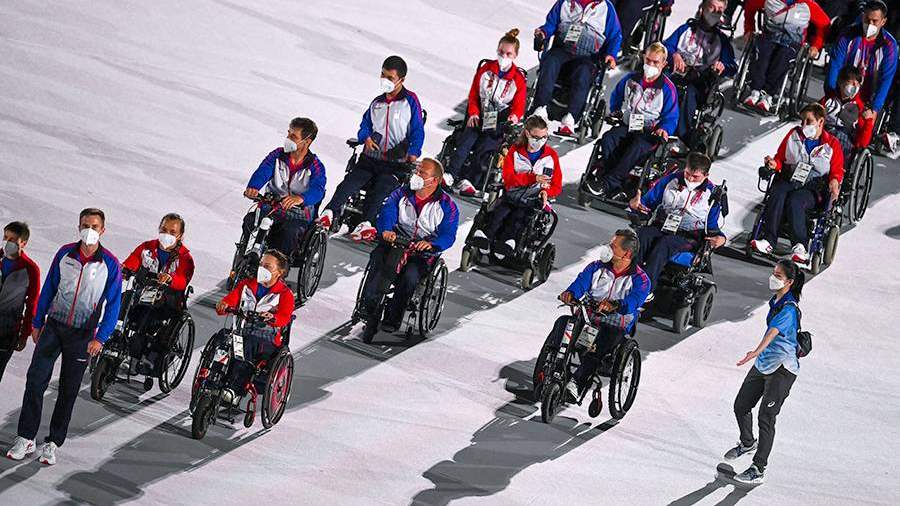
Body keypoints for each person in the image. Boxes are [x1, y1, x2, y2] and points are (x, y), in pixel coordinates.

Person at [7, 208, 122, 465]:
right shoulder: (65, 254)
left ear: (102, 230)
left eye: (94, 226)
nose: (89, 230)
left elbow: (114, 304)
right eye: (85, 225)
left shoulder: (110, 264)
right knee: (35, 381)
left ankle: (52, 443)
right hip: (54, 328)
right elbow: (49, 287)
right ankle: (26, 437)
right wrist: (37, 322)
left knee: (68, 390)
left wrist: (101, 337)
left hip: (83, 336)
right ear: (78, 227)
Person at [320, 56, 426, 241]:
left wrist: (413, 152)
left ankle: (366, 223)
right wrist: (365, 138)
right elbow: (365, 125)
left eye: (390, 78)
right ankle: (329, 212)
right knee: (349, 183)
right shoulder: (377, 103)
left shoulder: (410, 101)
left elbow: (418, 129)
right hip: (370, 158)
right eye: (383, 75)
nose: (385, 80)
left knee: (381, 188)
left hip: (395, 163)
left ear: (401, 80)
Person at [359, 158, 459, 339]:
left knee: (410, 277)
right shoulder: (400, 193)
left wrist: (432, 244)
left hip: (422, 252)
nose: (416, 175)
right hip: (395, 241)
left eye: (422, 173)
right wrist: (386, 229)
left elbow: (448, 234)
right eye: (417, 171)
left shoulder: (447, 206)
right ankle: (368, 303)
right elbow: (388, 211)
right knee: (378, 259)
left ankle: (393, 317)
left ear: (434, 180)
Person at [726, 259, 805, 485]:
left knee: (766, 417)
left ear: (789, 282)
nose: (773, 278)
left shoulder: (789, 308)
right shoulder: (776, 299)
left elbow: (773, 331)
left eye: (778, 276)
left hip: (782, 369)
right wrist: (759, 355)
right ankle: (747, 443)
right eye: (774, 273)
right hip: (764, 363)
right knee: (741, 405)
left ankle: (758, 468)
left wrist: (755, 351)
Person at [556, 229, 650, 402]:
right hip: (588, 315)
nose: (608, 248)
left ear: (627, 254)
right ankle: (553, 367)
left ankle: (577, 383)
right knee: (563, 323)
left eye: (613, 246)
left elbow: (634, 300)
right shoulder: (595, 267)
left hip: (615, 322)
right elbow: (581, 283)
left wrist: (616, 305)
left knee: (599, 344)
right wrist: (570, 294)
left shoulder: (641, 279)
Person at [751, 103, 844, 263]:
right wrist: (774, 164)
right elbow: (780, 159)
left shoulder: (832, 144)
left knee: (796, 200)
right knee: (778, 192)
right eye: (802, 121)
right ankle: (768, 241)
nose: (804, 125)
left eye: (809, 121)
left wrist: (834, 181)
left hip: (813, 187)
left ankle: (800, 246)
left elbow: (837, 171)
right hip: (791, 179)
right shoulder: (793, 135)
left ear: (820, 122)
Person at [588, 42, 679, 198]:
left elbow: (671, 116)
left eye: (655, 62)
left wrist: (664, 129)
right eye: (648, 60)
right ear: (644, 57)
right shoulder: (630, 79)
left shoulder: (667, 89)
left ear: (663, 64)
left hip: (650, 132)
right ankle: (614, 182)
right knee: (609, 139)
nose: (651, 65)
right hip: (628, 124)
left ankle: (608, 183)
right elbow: (616, 95)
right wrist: (616, 111)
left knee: (636, 147)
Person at [629, 152, 726, 291]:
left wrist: (721, 238)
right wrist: (636, 206)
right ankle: (629, 280)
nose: (690, 179)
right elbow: (647, 204)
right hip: (663, 226)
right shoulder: (670, 180)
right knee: (641, 236)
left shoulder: (712, 194)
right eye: (687, 174)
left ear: (706, 175)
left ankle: (644, 289)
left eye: (695, 177)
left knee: (664, 244)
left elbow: (711, 226)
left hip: (688, 235)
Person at [448, 29, 528, 196]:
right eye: (501, 52)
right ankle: (450, 174)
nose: (504, 56)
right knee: (465, 140)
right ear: (497, 50)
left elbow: (519, 107)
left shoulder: (518, 79)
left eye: (508, 53)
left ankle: (469, 181)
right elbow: (473, 95)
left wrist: (513, 118)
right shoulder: (486, 69)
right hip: (480, 115)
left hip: (498, 121)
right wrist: (473, 113)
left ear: (515, 55)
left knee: (486, 147)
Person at [471, 116, 562, 259]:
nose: (540, 141)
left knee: (517, 219)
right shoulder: (515, 151)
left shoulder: (551, 156)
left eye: (544, 137)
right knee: (498, 214)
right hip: (512, 194)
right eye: (536, 137)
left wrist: (546, 192)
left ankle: (506, 244)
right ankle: (485, 239)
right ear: (527, 133)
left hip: (533, 200)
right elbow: (509, 179)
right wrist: (532, 178)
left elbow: (557, 185)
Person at [532, 0, 623, 136]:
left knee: (583, 72)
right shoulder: (564, 2)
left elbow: (615, 36)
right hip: (563, 48)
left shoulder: (606, 8)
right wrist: (543, 32)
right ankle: (540, 108)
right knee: (550, 62)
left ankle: (570, 118)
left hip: (588, 55)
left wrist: (611, 55)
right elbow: (551, 24)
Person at [215, 250, 295, 404]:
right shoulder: (246, 285)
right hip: (241, 329)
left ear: (280, 272)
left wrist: (273, 317)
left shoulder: (285, 294)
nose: (262, 269)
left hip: (266, 337)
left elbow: (285, 317)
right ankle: (212, 377)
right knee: (223, 338)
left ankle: (235, 390)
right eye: (261, 264)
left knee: (248, 345)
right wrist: (224, 304)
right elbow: (231, 299)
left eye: (268, 266)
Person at [121, 213, 195, 376]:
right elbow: (134, 259)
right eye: (164, 229)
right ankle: (115, 339)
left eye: (172, 232)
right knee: (123, 299)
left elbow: (183, 279)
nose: (167, 234)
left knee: (148, 315)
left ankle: (137, 357)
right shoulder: (147, 247)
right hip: (142, 292)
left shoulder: (185, 258)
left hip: (167, 301)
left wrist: (170, 278)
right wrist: (126, 268)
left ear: (180, 235)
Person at [243, 117, 327, 256]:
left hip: (298, 213)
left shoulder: (316, 166)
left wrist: (301, 198)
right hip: (272, 205)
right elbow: (263, 171)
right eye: (288, 133)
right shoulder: (277, 155)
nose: (288, 138)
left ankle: (279, 263)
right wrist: (254, 187)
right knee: (250, 221)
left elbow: (318, 189)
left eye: (293, 136)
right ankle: (247, 256)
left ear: (307, 141)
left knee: (289, 232)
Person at [663, 0, 738, 147]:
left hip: (701, 82)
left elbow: (732, 67)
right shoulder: (686, 29)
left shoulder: (721, 40)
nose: (715, 12)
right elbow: (666, 46)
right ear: (703, 8)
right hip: (677, 74)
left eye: (719, 9)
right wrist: (674, 55)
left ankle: (683, 135)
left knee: (688, 92)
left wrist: (722, 66)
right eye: (712, 7)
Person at [742, 0, 831, 114]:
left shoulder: (808, 5)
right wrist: (749, 28)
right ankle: (755, 91)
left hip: (792, 42)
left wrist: (816, 45)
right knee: (762, 54)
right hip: (769, 35)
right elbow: (750, 6)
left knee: (782, 60)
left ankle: (768, 95)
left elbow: (825, 25)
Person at [826, 1, 897, 124]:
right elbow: (835, 64)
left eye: (874, 21)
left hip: (869, 94)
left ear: (883, 22)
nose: (870, 24)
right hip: (844, 89)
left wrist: (875, 108)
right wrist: (830, 93)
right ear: (863, 16)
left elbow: (886, 78)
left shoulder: (889, 45)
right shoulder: (847, 34)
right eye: (867, 19)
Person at [0, 222, 40, 384]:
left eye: (12, 239)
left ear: (23, 243)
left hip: (6, 331)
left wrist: (24, 335)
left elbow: (32, 304)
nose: (7, 242)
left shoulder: (30, 269)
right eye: (5, 237)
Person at [819, 65, 876, 158]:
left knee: (839, 138)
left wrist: (868, 122)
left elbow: (862, 142)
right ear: (841, 82)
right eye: (851, 83)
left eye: (857, 84)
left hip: (844, 140)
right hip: (824, 133)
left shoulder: (860, 109)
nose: (855, 87)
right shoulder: (828, 100)